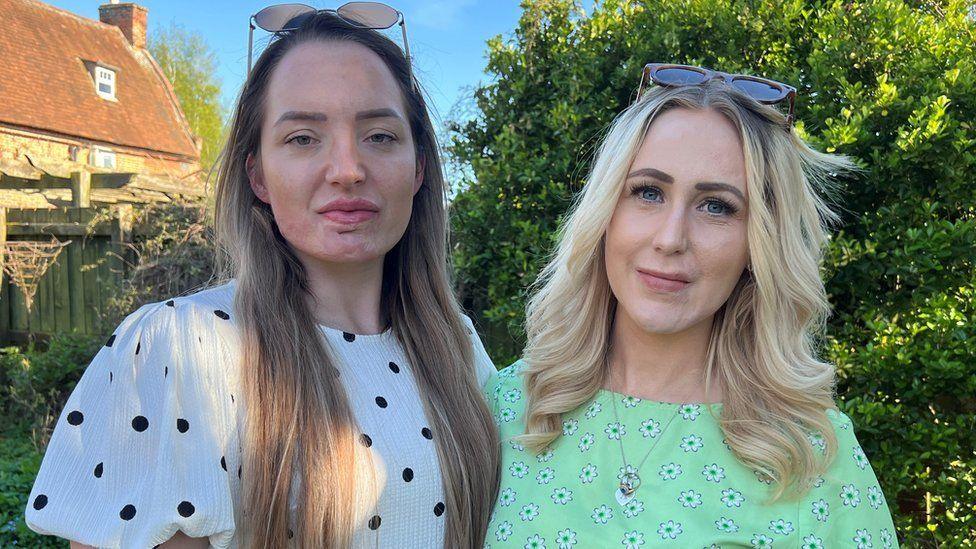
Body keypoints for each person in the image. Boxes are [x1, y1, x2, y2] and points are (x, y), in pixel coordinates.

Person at [25, 8, 498, 548]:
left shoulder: (459, 348)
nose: (347, 169)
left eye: (381, 136)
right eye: (302, 138)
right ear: (258, 176)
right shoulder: (180, 352)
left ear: (418, 169)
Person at [485, 66, 899, 548]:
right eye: (647, 193)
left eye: (717, 206)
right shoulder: (510, 405)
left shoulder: (812, 453)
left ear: (758, 244)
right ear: (603, 215)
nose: (670, 238)